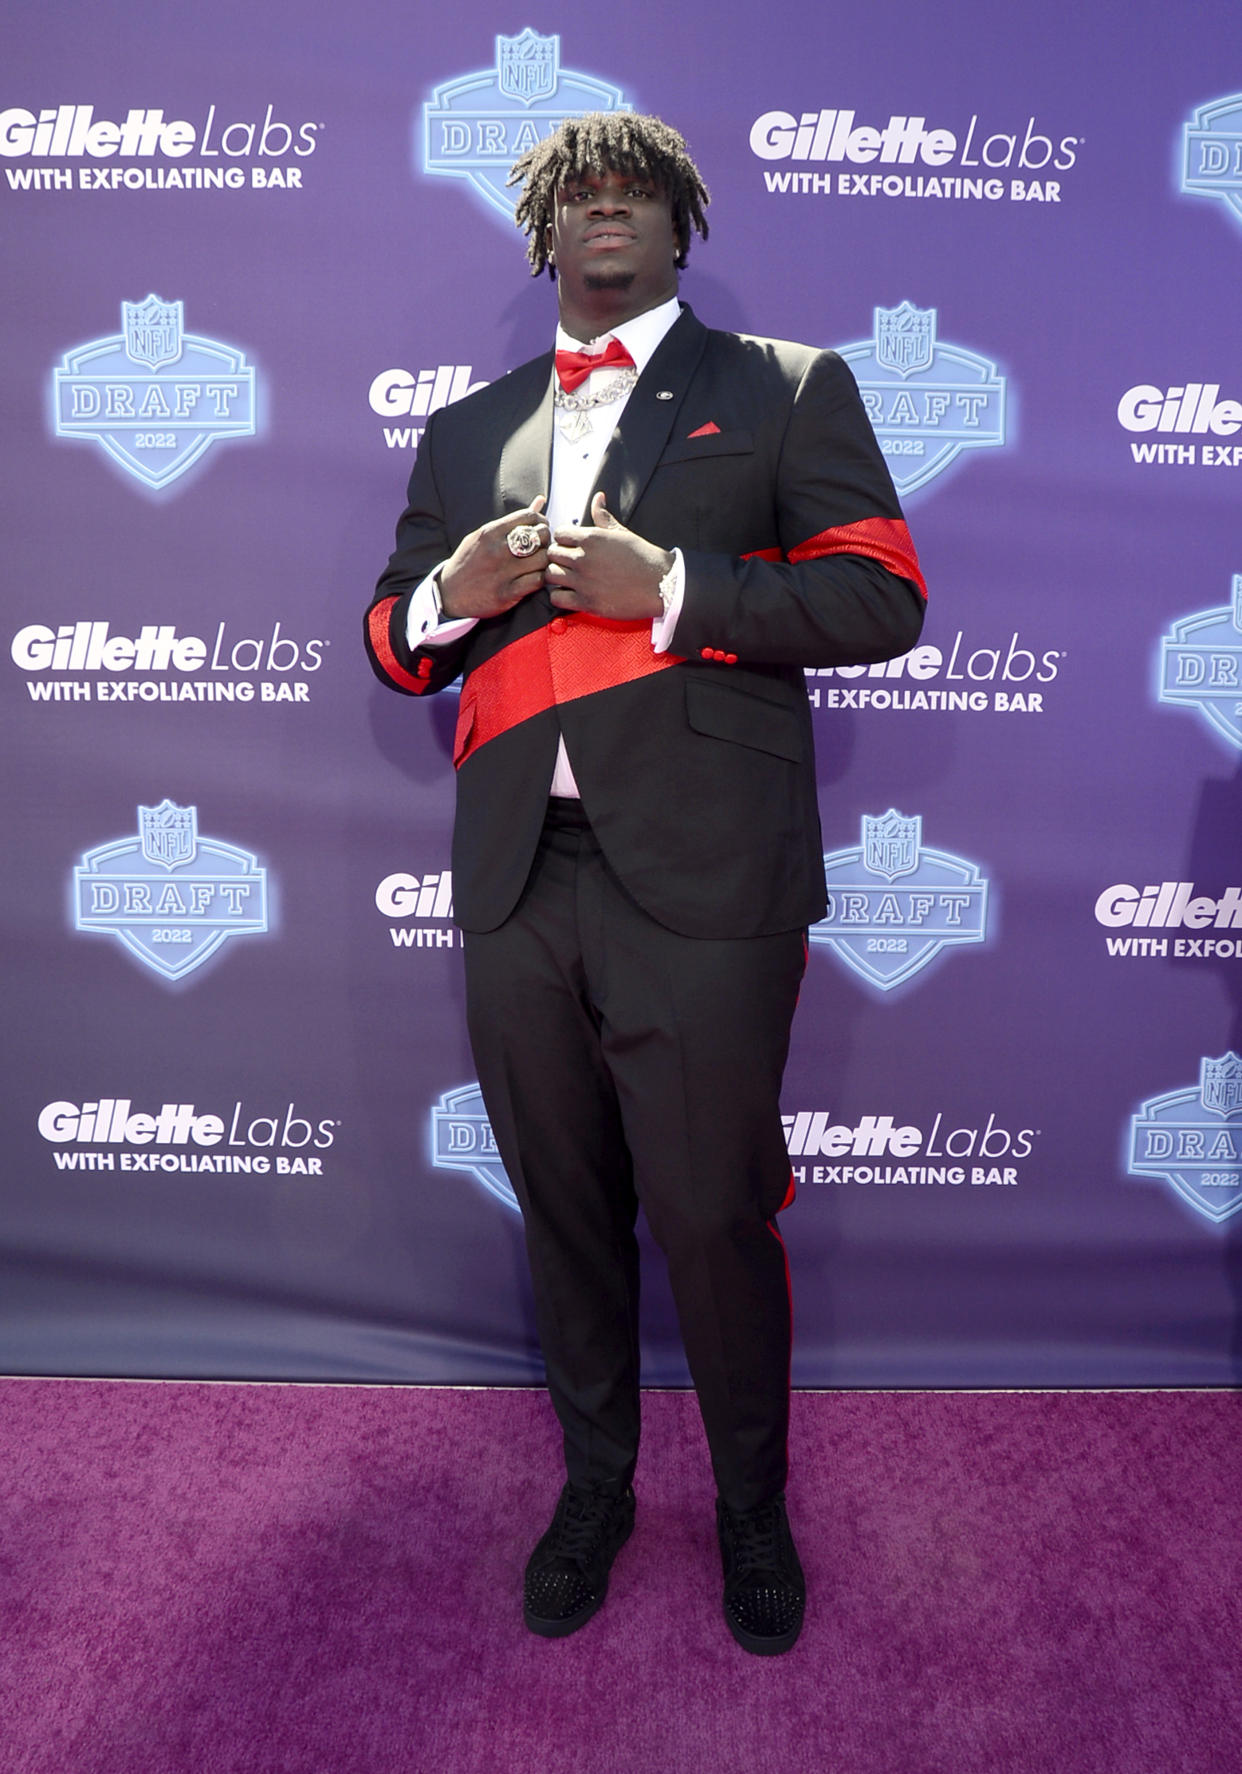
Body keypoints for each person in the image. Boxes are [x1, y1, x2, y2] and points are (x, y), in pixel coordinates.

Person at [365, 112, 925, 1656]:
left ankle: (752, 1506)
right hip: (517, 879)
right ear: (541, 232)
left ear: (685, 228)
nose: (605, 208)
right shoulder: (467, 425)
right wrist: (446, 594)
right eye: (577, 194)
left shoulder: (786, 387)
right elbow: (391, 635)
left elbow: (880, 595)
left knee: (708, 1213)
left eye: (638, 192)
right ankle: (596, 1488)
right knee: (564, 1210)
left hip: (705, 882)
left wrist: (672, 589)